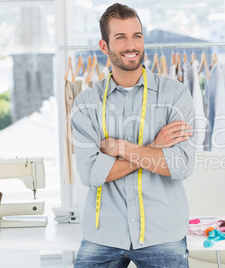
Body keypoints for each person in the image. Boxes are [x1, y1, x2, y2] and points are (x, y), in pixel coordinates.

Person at [71, 3, 195, 267]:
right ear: (104, 46)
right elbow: (91, 174)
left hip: (162, 232)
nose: (132, 45)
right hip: (103, 233)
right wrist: (155, 147)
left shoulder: (175, 95)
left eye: (137, 36)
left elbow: (180, 165)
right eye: (121, 37)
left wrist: (121, 148)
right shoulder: (85, 103)